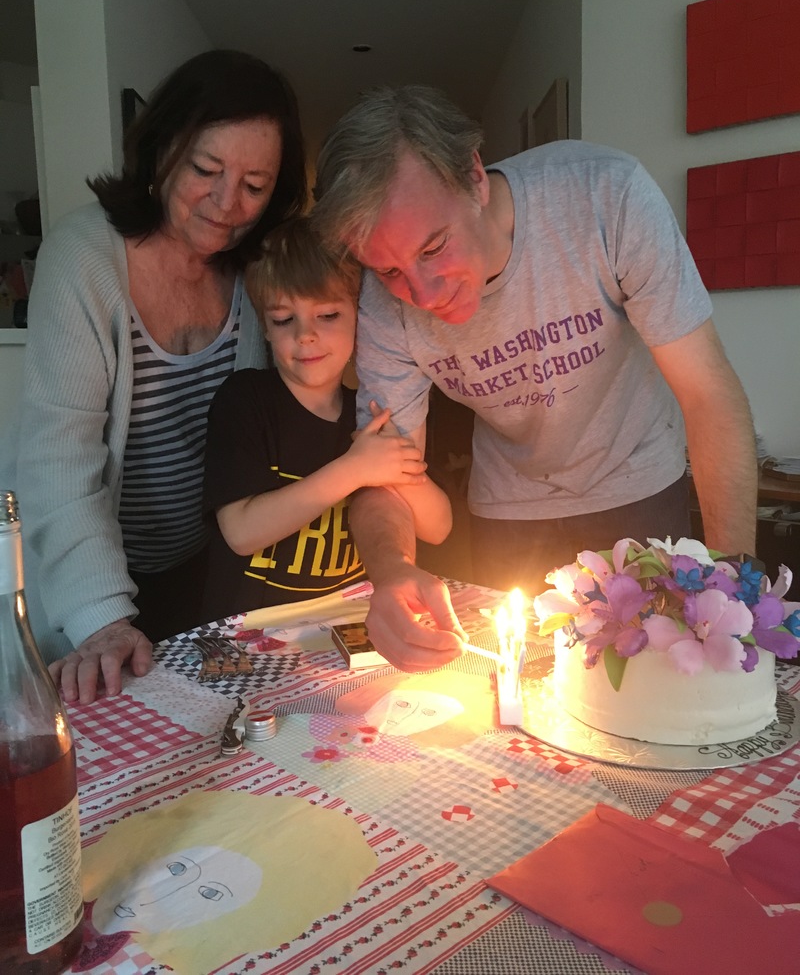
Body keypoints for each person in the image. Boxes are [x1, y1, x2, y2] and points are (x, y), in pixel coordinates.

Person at [311, 84, 758, 672]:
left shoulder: (605, 195)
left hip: (636, 480)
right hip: (509, 505)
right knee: (521, 686)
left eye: (434, 247)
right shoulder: (382, 306)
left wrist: (731, 589)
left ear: (474, 177)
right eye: (390, 270)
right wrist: (391, 571)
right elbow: (385, 472)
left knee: (655, 683)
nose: (421, 294)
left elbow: (709, 396)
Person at [4, 50, 307, 704]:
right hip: (96, 576)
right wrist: (103, 620)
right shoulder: (83, 257)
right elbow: (60, 458)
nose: (227, 204)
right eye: (205, 170)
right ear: (163, 147)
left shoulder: (256, 271)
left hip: (209, 566)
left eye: (255, 186)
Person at [201, 217, 451, 623]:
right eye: (284, 319)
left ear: (360, 318)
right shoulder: (245, 400)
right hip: (250, 640)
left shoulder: (370, 412)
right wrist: (355, 469)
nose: (305, 335)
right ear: (265, 327)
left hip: (342, 634)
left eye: (328, 315)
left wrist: (397, 468)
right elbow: (241, 532)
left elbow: (438, 527)